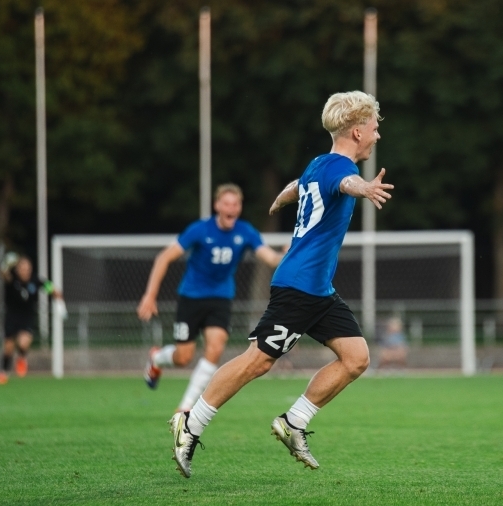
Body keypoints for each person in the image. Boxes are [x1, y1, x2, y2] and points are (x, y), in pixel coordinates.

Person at [168, 90, 393, 478]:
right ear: (356, 132)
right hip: (298, 288)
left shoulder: (318, 164)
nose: (377, 134)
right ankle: (189, 424)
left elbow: (298, 184)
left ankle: (294, 422)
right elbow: (348, 183)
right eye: (374, 127)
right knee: (258, 361)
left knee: (356, 357)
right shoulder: (340, 169)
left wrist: (282, 198)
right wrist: (366, 188)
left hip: (318, 290)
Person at [138, 183, 284, 413]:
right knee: (183, 357)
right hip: (191, 297)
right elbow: (164, 258)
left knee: (215, 348)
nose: (231, 208)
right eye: (226, 203)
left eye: (235, 204)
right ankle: (157, 358)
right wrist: (150, 295)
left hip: (221, 298)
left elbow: (270, 258)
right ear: (217, 206)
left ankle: (185, 408)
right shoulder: (200, 230)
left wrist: (285, 255)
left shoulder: (245, 232)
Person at [0, 253, 63, 385]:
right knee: (8, 347)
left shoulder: (36, 280)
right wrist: (5, 265)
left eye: (28, 268)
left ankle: (21, 358)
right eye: (22, 268)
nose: (25, 271)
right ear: (17, 269)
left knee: (23, 342)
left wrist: (58, 298)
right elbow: (3, 274)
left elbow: (50, 288)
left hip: (27, 317)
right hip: (11, 316)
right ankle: (4, 372)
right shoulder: (12, 279)